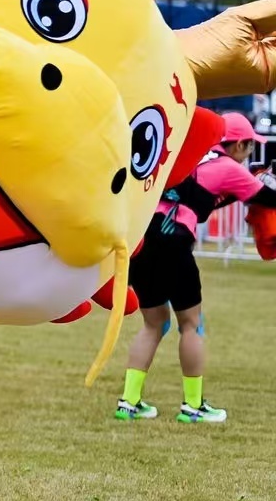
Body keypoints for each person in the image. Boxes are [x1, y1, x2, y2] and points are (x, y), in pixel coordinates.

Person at [116, 111, 276, 424]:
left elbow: (202, 197)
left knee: (154, 324)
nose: (248, 154)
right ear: (238, 145)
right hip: (174, 245)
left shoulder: (183, 157)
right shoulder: (228, 167)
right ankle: (193, 407)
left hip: (142, 243)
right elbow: (268, 197)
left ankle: (129, 403)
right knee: (191, 325)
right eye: (248, 147)